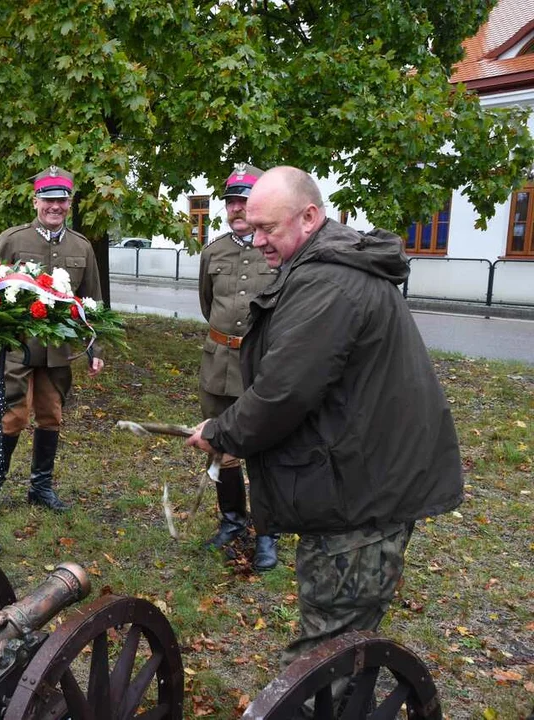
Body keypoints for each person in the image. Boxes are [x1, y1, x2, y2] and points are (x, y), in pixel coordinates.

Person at [186, 166, 463, 670]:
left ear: (310, 216)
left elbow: (284, 389)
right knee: (338, 632)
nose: (258, 238)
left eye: (269, 227)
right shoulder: (320, 265)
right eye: (253, 225)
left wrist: (222, 431)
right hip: (360, 478)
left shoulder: (329, 283)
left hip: (364, 496)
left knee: (327, 649)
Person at [0, 166, 104, 513]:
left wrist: (95, 348)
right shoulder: (13, 240)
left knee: (51, 416)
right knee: (12, 416)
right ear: (35, 201)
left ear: (70, 203)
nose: (55, 207)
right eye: (48, 199)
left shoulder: (83, 247)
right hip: (17, 347)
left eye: (61, 200)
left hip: (58, 352)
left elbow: (92, 302)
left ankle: (40, 487)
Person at [197, 163, 281, 571]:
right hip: (218, 363)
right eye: (231, 201)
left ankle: (268, 532)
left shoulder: (278, 251)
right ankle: (232, 520)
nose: (237, 208)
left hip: (261, 365)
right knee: (220, 444)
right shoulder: (213, 252)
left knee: (264, 449)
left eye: (244, 201)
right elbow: (207, 303)